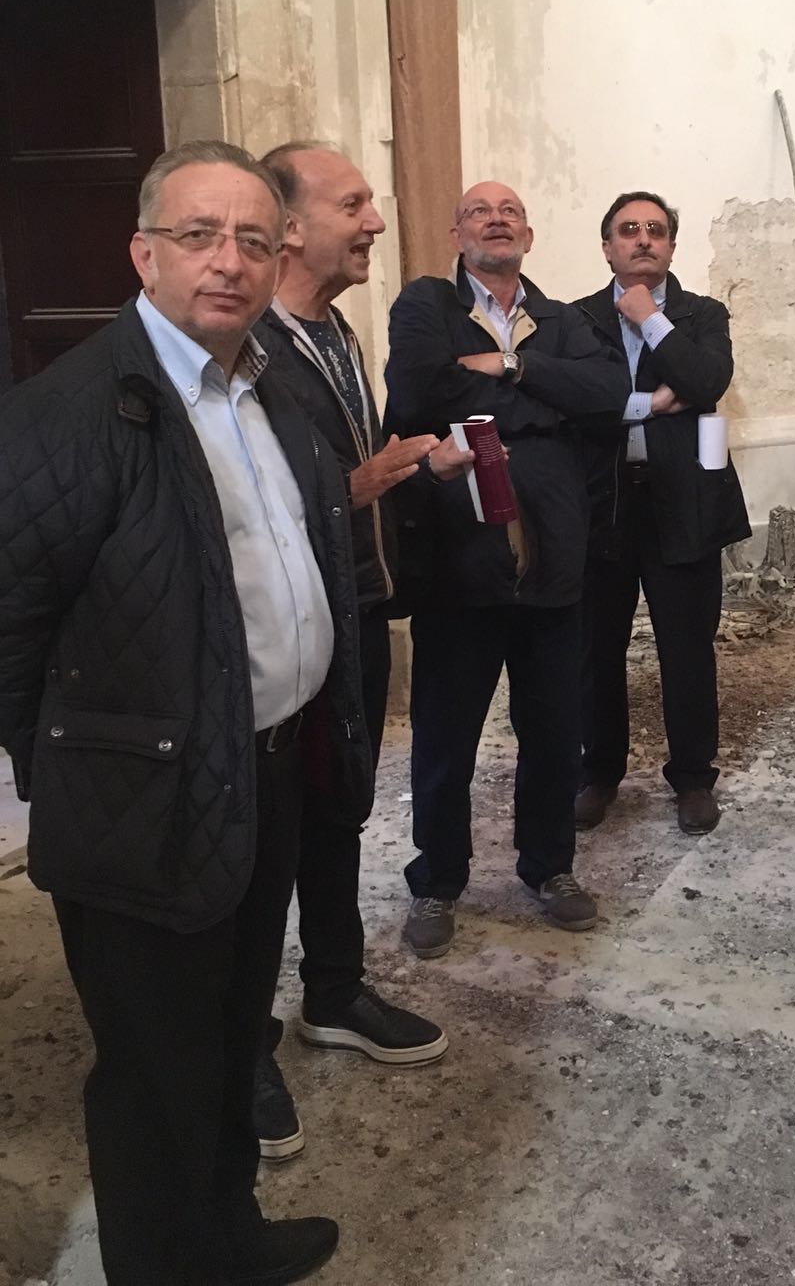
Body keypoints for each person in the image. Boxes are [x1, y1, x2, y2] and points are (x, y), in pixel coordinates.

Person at [0, 141, 372, 1284]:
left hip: (264, 769)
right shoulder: (63, 413)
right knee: (156, 1072)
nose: (230, 261)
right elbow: (11, 627)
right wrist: (75, 773)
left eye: (254, 239)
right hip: (143, 797)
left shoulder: (273, 386)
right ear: (144, 252)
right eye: (200, 235)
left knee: (228, 1036)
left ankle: (228, 1237)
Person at [250, 141, 467, 1160]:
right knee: (263, 838)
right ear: (291, 227)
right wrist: (362, 484)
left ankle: (333, 991)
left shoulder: (335, 330)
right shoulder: (249, 345)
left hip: (357, 615)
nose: (375, 221)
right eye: (354, 204)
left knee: (340, 811)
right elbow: (241, 514)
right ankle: (240, 1044)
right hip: (283, 632)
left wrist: (406, 472)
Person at [384, 181, 628, 958]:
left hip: (551, 558)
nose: (497, 220)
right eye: (480, 212)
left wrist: (512, 366)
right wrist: (546, 400)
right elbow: (416, 391)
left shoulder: (564, 320)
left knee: (554, 732)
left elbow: (608, 392)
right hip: (459, 561)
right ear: (456, 233)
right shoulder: (425, 306)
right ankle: (437, 880)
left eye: (510, 212)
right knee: (445, 737)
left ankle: (549, 867)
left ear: (529, 233)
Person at [573, 190, 749, 834]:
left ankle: (694, 778)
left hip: (684, 501)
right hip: (603, 503)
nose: (643, 238)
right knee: (597, 649)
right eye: (628, 229)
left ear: (672, 246)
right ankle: (598, 772)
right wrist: (647, 404)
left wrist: (651, 318)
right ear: (607, 247)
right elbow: (576, 401)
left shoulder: (702, 314)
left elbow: (705, 382)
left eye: (655, 229)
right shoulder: (576, 319)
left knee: (687, 648)